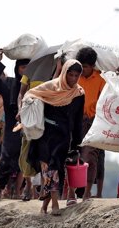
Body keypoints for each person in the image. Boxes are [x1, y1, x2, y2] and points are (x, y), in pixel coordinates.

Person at [25, 59, 85, 215]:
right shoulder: (51, 87)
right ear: (64, 73)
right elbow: (32, 94)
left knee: (55, 168)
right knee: (49, 169)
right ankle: (53, 204)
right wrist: (25, 109)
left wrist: (77, 143)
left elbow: (78, 121)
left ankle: (47, 206)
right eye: (70, 75)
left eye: (76, 76)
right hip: (45, 135)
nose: (72, 79)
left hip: (63, 137)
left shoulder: (78, 94)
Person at [0, 50, 30, 198]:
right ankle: (4, 185)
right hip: (11, 127)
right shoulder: (8, 84)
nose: (25, 71)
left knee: (27, 158)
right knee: (9, 154)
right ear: (17, 69)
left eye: (28, 68)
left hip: (29, 127)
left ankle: (24, 190)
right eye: (22, 68)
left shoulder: (34, 85)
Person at [76, 47, 106, 202]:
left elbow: (105, 101)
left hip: (94, 122)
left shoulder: (101, 80)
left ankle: (88, 191)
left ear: (92, 66)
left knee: (90, 157)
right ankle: (71, 192)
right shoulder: (75, 77)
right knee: (74, 156)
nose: (83, 70)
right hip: (76, 121)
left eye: (86, 67)